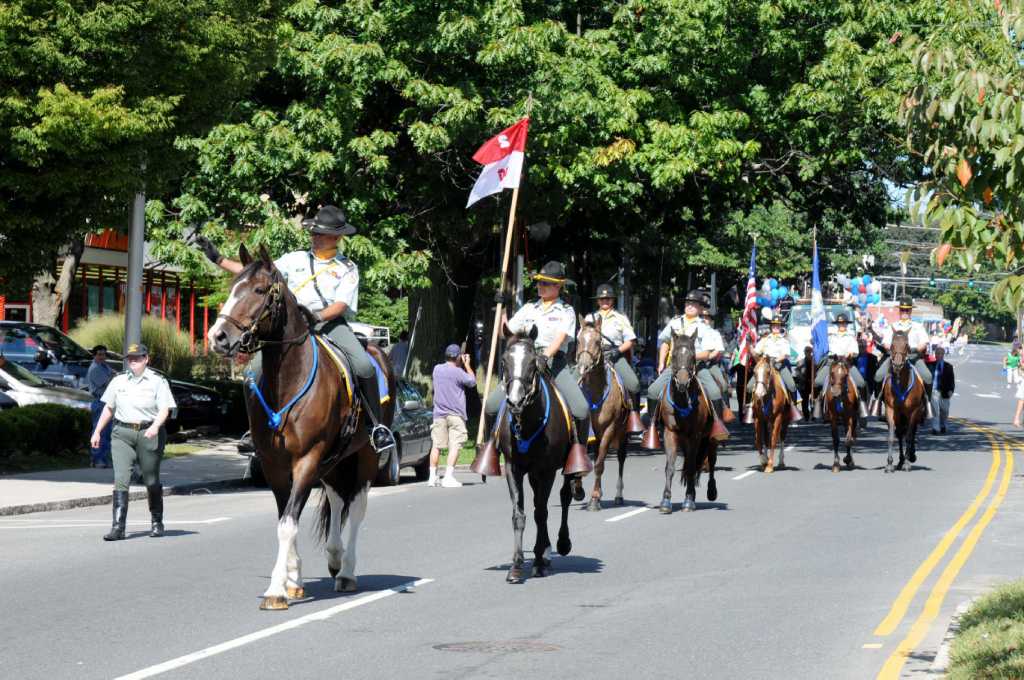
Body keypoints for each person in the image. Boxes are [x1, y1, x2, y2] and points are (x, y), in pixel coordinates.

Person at [195, 205, 396, 456]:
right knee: (253, 374)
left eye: (319, 234)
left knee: (364, 366)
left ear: (335, 237)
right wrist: (217, 258)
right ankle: (254, 431)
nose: (313, 237)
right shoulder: (295, 259)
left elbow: (342, 305)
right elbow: (256, 275)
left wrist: (317, 316)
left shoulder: (347, 268)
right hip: (292, 326)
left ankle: (376, 427)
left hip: (329, 324)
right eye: (313, 233)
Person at [484, 261, 591, 447]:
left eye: (546, 283)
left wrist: (544, 357)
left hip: (553, 364)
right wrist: (502, 307)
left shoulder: (566, 311)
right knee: (491, 406)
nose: (540, 286)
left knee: (581, 410)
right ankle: (489, 449)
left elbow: (559, 338)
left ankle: (578, 455)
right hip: (524, 361)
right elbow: (505, 332)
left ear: (558, 286)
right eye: (539, 282)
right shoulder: (529, 307)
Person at [90, 344, 176, 541]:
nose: (133, 361)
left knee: (150, 479)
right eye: (130, 358)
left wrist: (155, 426)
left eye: (137, 358)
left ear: (146, 359)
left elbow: (165, 409)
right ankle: (118, 528)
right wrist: (97, 432)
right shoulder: (118, 381)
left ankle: (156, 521)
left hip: (148, 432)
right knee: (121, 478)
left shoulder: (157, 381)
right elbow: (108, 409)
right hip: (122, 433)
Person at [647, 290, 731, 425]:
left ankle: (718, 426)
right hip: (675, 367)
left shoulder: (704, 327)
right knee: (652, 391)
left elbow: (707, 353)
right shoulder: (674, 323)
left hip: (696, 366)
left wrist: (689, 356)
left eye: (694, 303)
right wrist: (661, 362)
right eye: (688, 303)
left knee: (715, 392)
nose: (690, 306)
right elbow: (665, 343)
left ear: (700, 307)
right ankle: (652, 427)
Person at [428, 344, 477, 487]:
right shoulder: (459, 372)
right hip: (456, 414)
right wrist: (467, 365)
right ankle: (448, 477)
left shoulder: (437, 369)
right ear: (457, 357)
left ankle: (432, 477)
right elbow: (472, 382)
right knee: (455, 445)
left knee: (436, 445)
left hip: (439, 414)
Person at [583, 283, 640, 402]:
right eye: (602, 299)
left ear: (612, 300)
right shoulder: (589, 318)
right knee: (574, 381)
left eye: (608, 298)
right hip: (592, 355)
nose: (605, 301)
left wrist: (617, 351)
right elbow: (582, 339)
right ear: (598, 301)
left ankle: (634, 415)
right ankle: (574, 418)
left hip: (614, 355)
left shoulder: (620, 318)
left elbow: (630, 340)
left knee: (634, 384)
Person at [874, 297, 932, 402]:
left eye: (907, 310)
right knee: (878, 375)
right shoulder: (893, 326)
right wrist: (893, 349)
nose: (905, 312)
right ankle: (878, 401)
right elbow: (886, 343)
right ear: (899, 310)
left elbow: (924, 342)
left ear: (911, 311)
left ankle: (927, 403)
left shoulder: (918, 326)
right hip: (895, 357)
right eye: (902, 309)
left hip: (912, 357)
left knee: (928, 377)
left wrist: (915, 349)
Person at [815, 314, 868, 415]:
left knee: (861, 383)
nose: (842, 325)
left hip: (847, 363)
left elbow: (855, 352)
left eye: (843, 323)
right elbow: (824, 349)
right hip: (832, 363)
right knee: (818, 381)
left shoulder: (851, 337)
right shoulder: (830, 337)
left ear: (847, 325)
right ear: (837, 325)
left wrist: (850, 353)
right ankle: (820, 402)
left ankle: (861, 405)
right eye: (840, 323)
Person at [748, 317, 799, 405]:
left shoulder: (784, 341)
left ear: (780, 327)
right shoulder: (764, 340)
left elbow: (785, 354)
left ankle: (792, 407)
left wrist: (775, 361)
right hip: (764, 364)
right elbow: (756, 353)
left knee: (792, 385)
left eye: (778, 326)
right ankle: (750, 407)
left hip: (779, 364)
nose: (776, 327)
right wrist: (749, 346)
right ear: (771, 327)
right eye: (774, 326)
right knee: (749, 387)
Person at [700, 304, 734, 420]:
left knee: (723, 385)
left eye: (707, 318)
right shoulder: (695, 331)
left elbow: (718, 350)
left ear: (710, 320)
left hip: (710, 364)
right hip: (692, 364)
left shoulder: (714, 333)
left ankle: (725, 412)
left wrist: (708, 357)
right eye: (702, 318)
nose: (704, 320)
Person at [86, 345, 114, 468]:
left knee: (107, 432)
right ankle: (97, 459)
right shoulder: (95, 368)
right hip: (99, 402)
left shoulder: (104, 366)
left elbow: (113, 375)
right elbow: (109, 383)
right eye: (99, 354)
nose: (102, 357)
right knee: (99, 431)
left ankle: (104, 458)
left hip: (106, 402)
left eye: (104, 354)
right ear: (94, 355)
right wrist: (115, 377)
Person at [929, 345, 955, 434]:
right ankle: (935, 428)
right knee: (935, 411)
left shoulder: (949, 366)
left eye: (940, 353)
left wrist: (951, 390)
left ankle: (943, 425)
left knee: (944, 411)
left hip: (945, 392)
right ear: (935, 355)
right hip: (934, 391)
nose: (938, 355)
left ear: (943, 354)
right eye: (937, 353)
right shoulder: (930, 365)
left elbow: (952, 380)